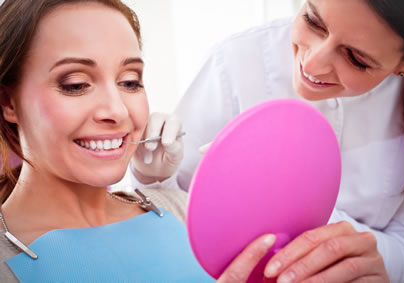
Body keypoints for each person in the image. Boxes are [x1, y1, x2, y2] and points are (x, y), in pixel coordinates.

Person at [132, 0, 404, 282]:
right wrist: (152, 177)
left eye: (356, 58)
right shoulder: (237, 61)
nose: (312, 63)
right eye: (313, 21)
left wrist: (366, 257)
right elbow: (167, 210)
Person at [0, 1, 288, 282]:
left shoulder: (181, 210)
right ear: (7, 102)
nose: (118, 110)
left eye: (129, 82)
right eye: (76, 84)